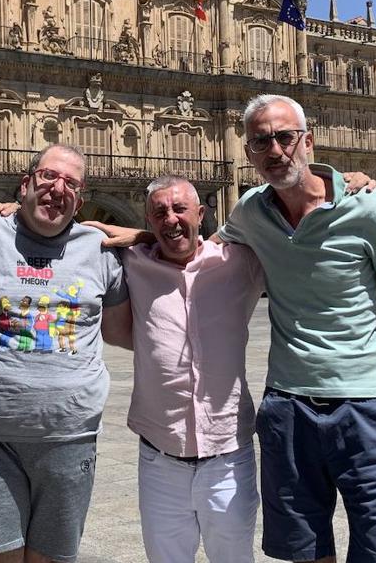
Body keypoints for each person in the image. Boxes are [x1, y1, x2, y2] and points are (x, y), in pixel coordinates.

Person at [217, 94, 376, 563]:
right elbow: (196, 248)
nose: (274, 150)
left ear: (307, 141)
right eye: (260, 142)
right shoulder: (251, 211)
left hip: (366, 408)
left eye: (284, 137)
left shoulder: (366, 207)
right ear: (249, 153)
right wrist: (138, 235)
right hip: (287, 408)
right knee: (306, 553)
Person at [0, 144, 130, 563]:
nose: (58, 187)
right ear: (25, 184)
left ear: (81, 198)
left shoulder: (101, 250)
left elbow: (131, 334)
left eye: (70, 182)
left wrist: (153, 237)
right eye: (49, 176)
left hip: (71, 438)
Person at [114, 175, 265, 562]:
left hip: (229, 455)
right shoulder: (133, 262)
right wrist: (15, 209)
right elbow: (73, 229)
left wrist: (344, 186)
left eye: (180, 209)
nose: (171, 219)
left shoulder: (240, 262)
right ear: (148, 222)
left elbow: (296, 230)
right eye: (160, 212)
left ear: (202, 214)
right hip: (160, 457)